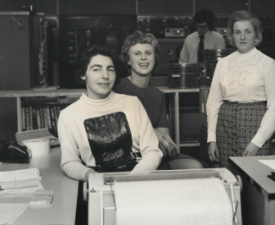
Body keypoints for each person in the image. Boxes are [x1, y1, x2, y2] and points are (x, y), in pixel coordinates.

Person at [58, 45, 163, 182]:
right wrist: (92, 176)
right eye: (96, 69)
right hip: (99, 183)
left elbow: (153, 151)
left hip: (139, 179)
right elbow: (69, 162)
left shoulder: (132, 103)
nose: (105, 76)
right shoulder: (68, 115)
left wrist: (133, 178)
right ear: (83, 74)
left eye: (110, 70)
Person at [114, 30, 204, 169]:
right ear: (128, 60)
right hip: (130, 158)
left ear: (155, 58)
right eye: (137, 54)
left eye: (148, 53)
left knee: (196, 166)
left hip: (156, 155)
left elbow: (164, 139)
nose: (143, 58)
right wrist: (153, 131)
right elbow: (120, 133)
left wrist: (169, 145)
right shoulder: (119, 88)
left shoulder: (158, 95)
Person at [206, 10, 275, 169]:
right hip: (224, 129)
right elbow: (213, 104)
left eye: (247, 32)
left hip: (255, 128)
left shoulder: (268, 64)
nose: (242, 37)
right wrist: (212, 139)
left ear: (256, 35)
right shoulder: (222, 63)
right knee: (229, 179)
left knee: (254, 182)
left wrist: (257, 142)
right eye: (237, 32)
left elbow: (274, 108)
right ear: (231, 36)